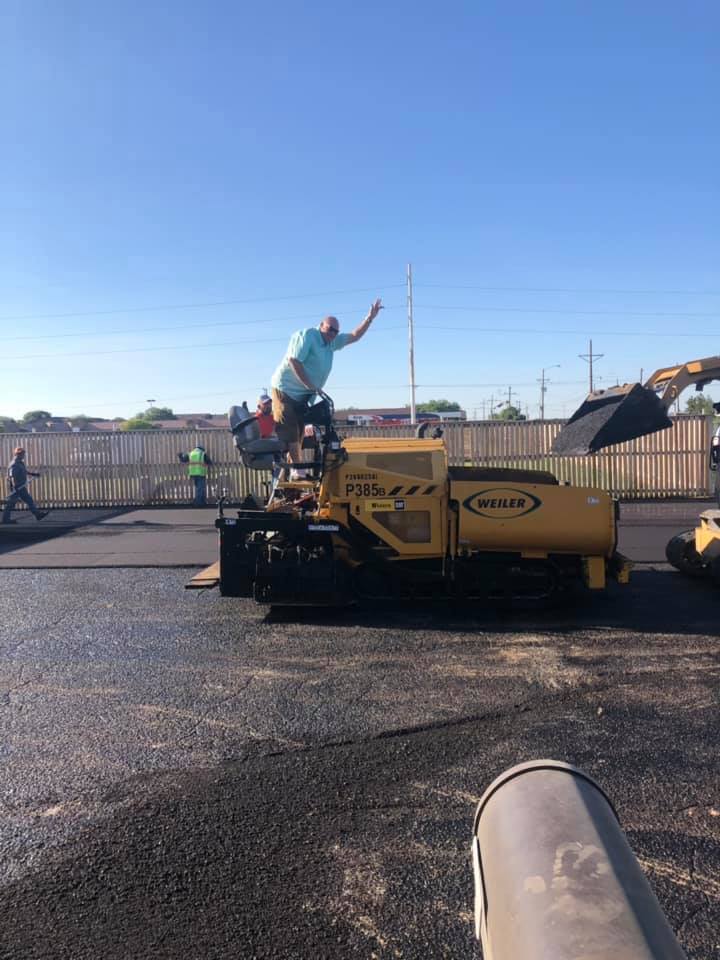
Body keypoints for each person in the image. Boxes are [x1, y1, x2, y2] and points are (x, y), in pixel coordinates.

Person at [271, 298, 383, 476]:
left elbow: (354, 336)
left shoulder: (331, 342)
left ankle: (295, 471)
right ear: (321, 325)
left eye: (336, 331)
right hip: (286, 390)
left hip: (304, 395)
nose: (333, 333)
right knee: (291, 430)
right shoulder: (308, 336)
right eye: (330, 329)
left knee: (300, 431)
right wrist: (311, 385)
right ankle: (297, 471)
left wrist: (370, 318)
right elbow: (294, 361)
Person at [2, 447, 49, 524]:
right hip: (16, 487)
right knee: (11, 503)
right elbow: (12, 476)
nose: (23, 455)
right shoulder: (14, 464)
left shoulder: (20, 462)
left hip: (21, 486)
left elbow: (24, 471)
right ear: (17, 454)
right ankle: (5, 519)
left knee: (28, 500)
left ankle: (37, 515)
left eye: (23, 453)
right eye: (22, 454)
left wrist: (33, 474)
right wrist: (15, 487)